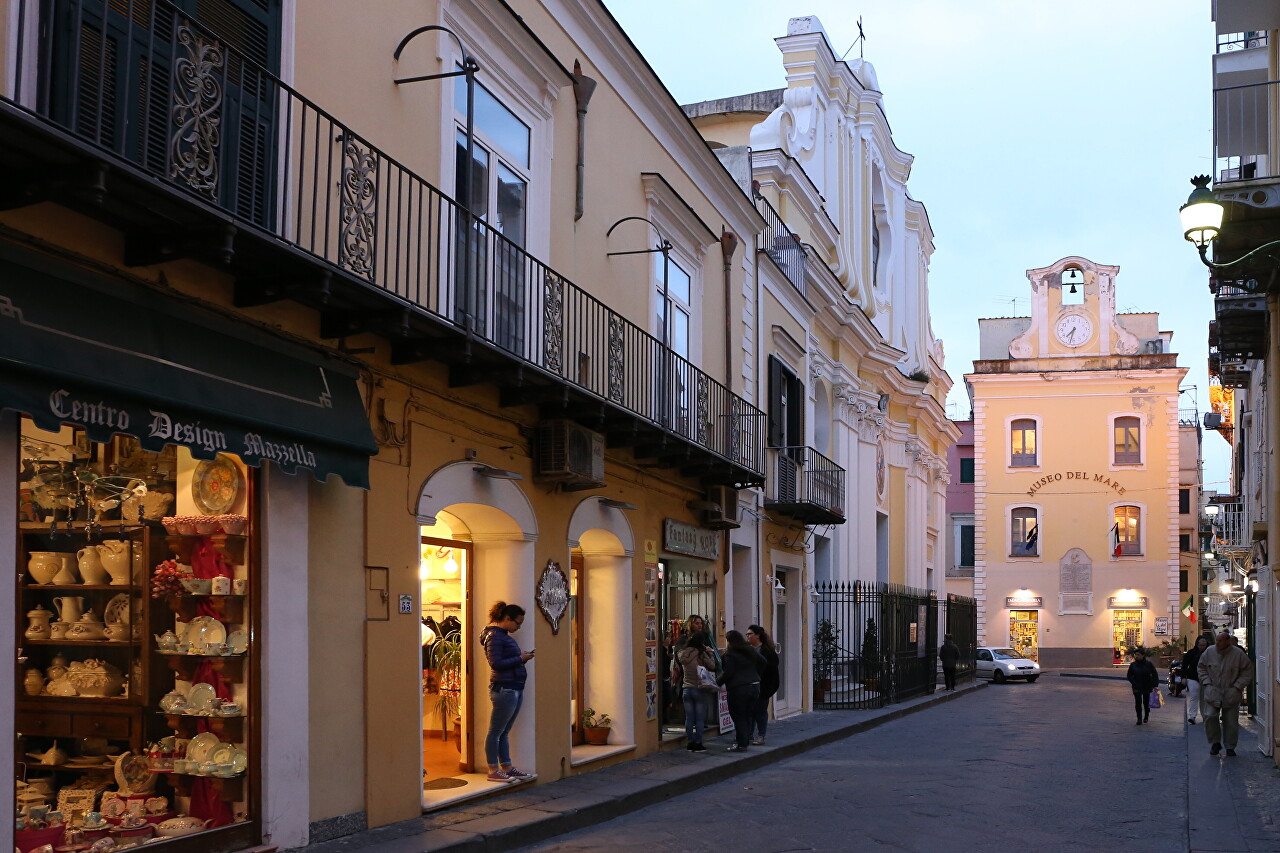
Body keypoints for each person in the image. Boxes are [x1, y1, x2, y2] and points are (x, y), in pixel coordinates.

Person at [480, 601, 535, 782]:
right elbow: (495, 663)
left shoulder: (502, 636)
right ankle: (493, 769)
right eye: (517, 623)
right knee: (496, 731)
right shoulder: (494, 637)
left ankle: (507, 766)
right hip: (504, 688)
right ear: (507, 618)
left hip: (514, 686)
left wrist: (522, 659)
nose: (518, 627)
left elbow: (506, 660)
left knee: (504, 731)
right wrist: (520, 658)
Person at [1198, 630, 1256, 757]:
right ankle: (1215, 742)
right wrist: (1206, 683)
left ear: (1227, 641)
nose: (1217, 643)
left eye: (1220, 641)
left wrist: (1237, 686)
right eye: (1217, 640)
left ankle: (1230, 746)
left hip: (1231, 692)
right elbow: (1201, 667)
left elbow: (1247, 671)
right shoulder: (1209, 652)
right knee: (1210, 716)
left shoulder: (1238, 654)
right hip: (1213, 691)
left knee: (1230, 722)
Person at [718, 630, 765, 751]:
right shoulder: (749, 650)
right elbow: (763, 662)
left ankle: (741, 744)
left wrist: (716, 683)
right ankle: (745, 741)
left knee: (738, 716)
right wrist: (755, 674)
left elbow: (728, 673)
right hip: (754, 686)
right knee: (747, 715)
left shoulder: (731, 654)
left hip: (738, 689)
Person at [676, 631, 718, 752]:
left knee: (689, 718)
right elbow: (713, 666)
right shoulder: (701, 654)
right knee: (699, 718)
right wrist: (710, 654)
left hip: (686, 689)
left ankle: (690, 742)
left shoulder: (682, 653)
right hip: (699, 689)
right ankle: (698, 743)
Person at [746, 624, 779, 745]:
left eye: (750, 634)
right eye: (747, 634)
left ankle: (761, 736)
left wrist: (768, 688)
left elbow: (771, 670)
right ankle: (748, 734)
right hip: (748, 685)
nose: (747, 636)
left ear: (758, 635)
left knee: (760, 711)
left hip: (763, 686)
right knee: (749, 711)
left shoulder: (767, 651)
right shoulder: (747, 649)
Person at [1127, 647, 1159, 725]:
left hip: (1146, 685)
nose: (1136, 656)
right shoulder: (1133, 665)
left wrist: (1154, 684)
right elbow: (1129, 675)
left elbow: (1154, 674)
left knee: (1146, 702)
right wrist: (1133, 682)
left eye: (1138, 654)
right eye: (1135, 654)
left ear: (1143, 655)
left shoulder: (1148, 664)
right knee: (1138, 702)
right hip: (1136, 686)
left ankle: (1146, 716)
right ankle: (1139, 718)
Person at [1183, 635, 1210, 725]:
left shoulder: (1209, 653)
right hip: (1193, 677)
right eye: (1201, 645)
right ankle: (1192, 716)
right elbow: (1184, 665)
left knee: (1204, 698)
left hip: (1206, 678)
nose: (1202, 647)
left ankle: (1205, 716)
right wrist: (1183, 677)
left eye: (1204, 645)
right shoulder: (1191, 653)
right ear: (1197, 644)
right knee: (1194, 696)